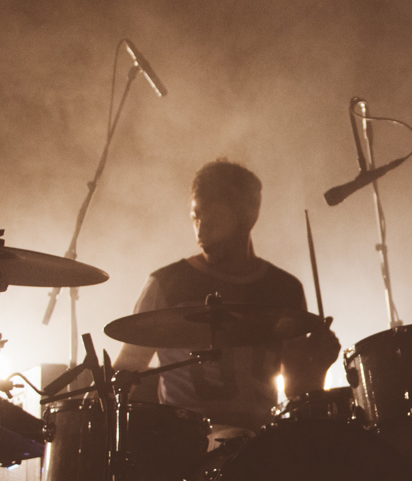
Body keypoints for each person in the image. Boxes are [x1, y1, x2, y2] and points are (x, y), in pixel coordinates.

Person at [114, 159, 340, 433]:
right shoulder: (167, 283)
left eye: (212, 215)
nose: (201, 227)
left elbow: (296, 393)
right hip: (186, 444)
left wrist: (318, 367)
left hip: (262, 440)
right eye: (195, 216)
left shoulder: (285, 289)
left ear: (249, 213)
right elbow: (126, 372)